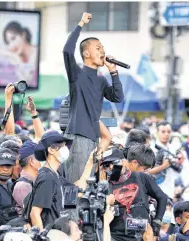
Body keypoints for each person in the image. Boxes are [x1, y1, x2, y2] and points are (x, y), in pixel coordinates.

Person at [62, 12, 124, 183]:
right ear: (86, 54)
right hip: (78, 135)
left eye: (103, 48)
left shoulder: (101, 79)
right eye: (98, 48)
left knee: (88, 183)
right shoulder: (77, 74)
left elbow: (118, 97)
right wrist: (80, 23)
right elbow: (67, 50)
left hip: (93, 137)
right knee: (75, 183)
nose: (102, 51)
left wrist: (113, 71)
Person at [100, 147, 167, 241]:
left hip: (142, 235)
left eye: (114, 163)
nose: (110, 167)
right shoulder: (103, 184)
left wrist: (156, 227)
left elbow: (162, 198)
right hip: (115, 236)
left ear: (123, 162)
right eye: (106, 165)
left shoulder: (141, 177)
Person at [29, 131, 74, 230]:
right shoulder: (47, 177)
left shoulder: (55, 174)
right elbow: (35, 213)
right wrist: (41, 237)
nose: (66, 149)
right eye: (62, 146)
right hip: (51, 234)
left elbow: (74, 192)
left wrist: (90, 164)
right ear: (51, 150)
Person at [0, 21, 38, 87]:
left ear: (23, 35)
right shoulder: (19, 59)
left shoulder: (36, 53)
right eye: (8, 43)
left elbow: (27, 82)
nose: (12, 45)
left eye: (13, 38)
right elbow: (24, 85)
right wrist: (15, 58)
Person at [13, 140, 40, 214]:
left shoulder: (35, 180)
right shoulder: (23, 186)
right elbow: (34, 213)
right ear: (31, 161)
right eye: (41, 157)